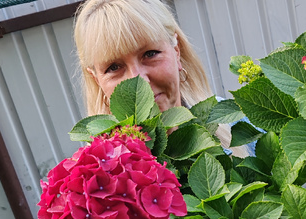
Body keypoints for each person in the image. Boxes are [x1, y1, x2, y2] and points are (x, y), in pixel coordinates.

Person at [73, 0, 249, 156]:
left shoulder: (238, 125)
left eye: (150, 54)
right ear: (97, 80)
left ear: (176, 51)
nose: (139, 80)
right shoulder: (98, 176)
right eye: (114, 67)